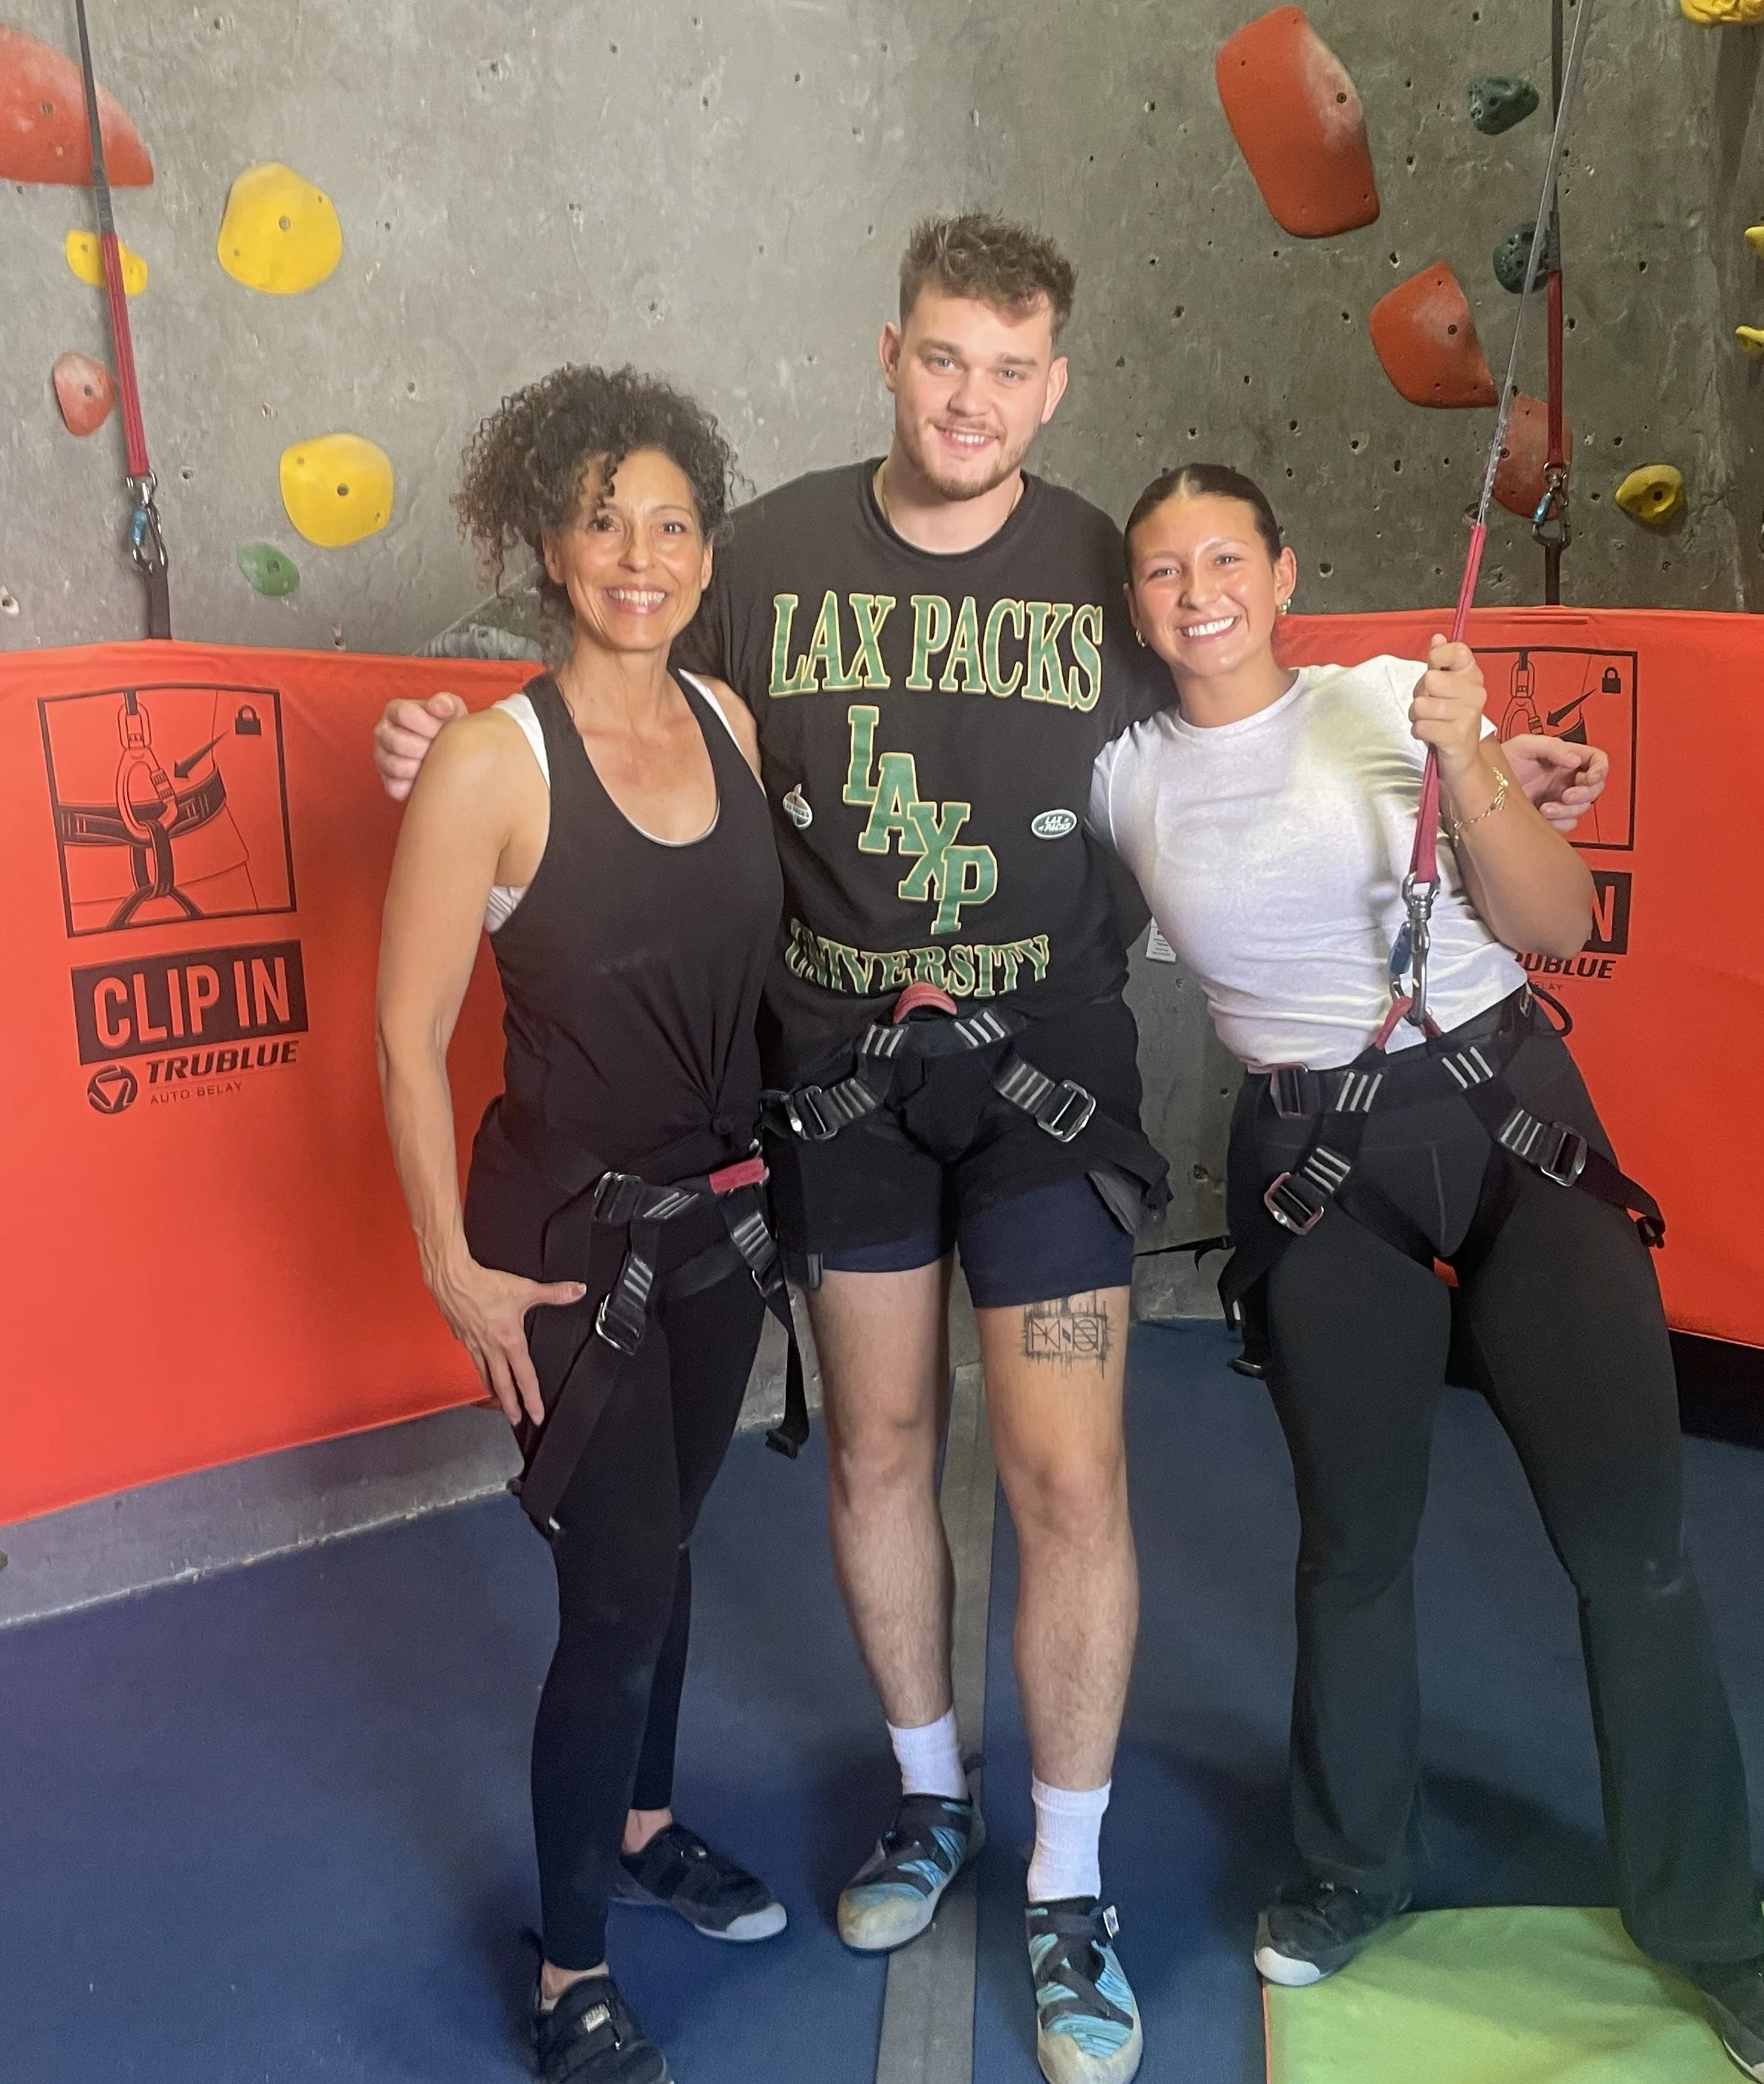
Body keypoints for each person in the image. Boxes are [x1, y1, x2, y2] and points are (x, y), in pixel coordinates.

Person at [375, 219, 1603, 2084]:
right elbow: (602, 686)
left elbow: (1248, 695)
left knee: (1066, 1478)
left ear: (1056, 381)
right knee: (872, 1444)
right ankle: (933, 1798)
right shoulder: (759, 551)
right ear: (891, 353)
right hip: (839, 1075)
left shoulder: (1113, 566)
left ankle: (1069, 1884)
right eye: (946, 358)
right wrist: (436, 734)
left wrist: (1487, 761)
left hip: (1048, 1072)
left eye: (1014, 369)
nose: (976, 398)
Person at [1091, 462, 1764, 2077]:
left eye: (1227, 555)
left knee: (1631, 1552)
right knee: (1353, 1551)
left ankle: (1717, 1930)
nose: (1199, 589)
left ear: (1284, 568)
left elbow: (1551, 908)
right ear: (1135, 603)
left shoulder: (1392, 696)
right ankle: (1349, 1871)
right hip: (1321, 1177)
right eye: (1164, 567)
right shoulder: (1121, 776)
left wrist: (1467, 758)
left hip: (1511, 1125)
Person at [377, 365, 791, 2084]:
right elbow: (402, 1032)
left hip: (715, 1227)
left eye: (674, 521)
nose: (642, 552)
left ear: (706, 550)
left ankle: (639, 1825)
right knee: (615, 1599)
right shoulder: (490, 758)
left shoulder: (732, 723)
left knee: (666, 1555)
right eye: (605, 518)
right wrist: (448, 1266)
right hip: (558, 1244)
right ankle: (567, 1981)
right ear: (545, 541)